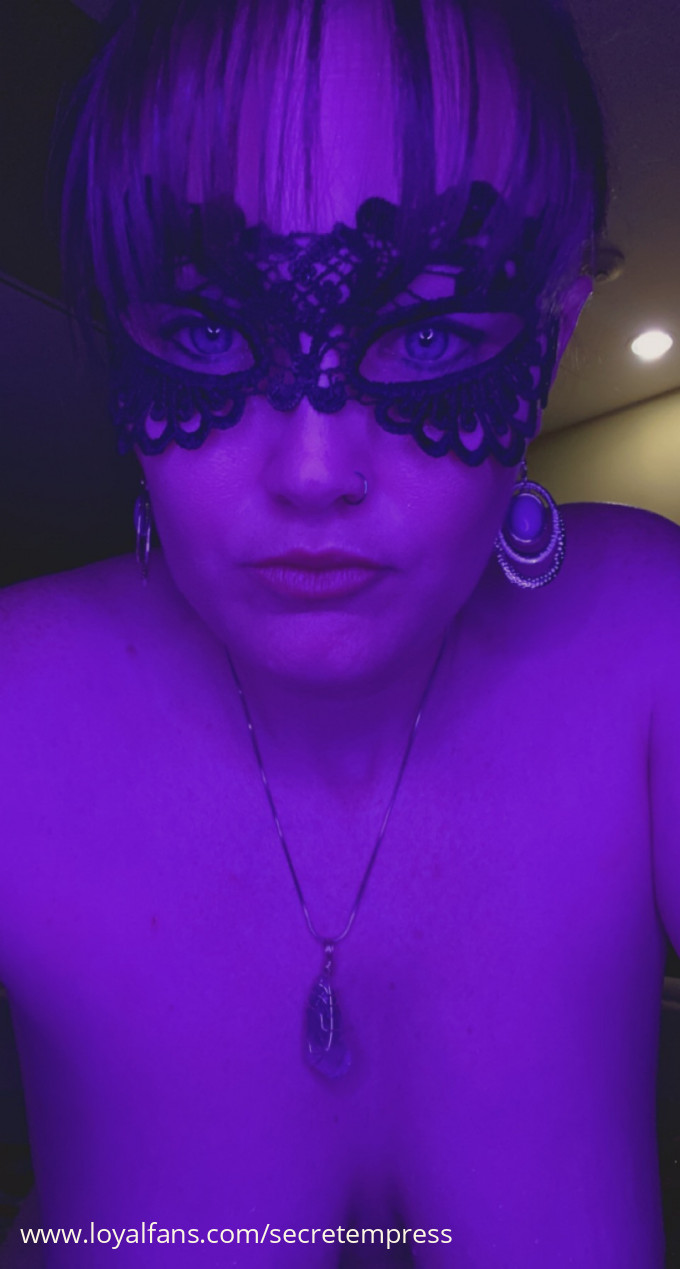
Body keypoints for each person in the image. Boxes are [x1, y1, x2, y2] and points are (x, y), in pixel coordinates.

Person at [2, 0, 679, 1263]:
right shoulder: (14, 711)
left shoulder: (648, 645)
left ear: (550, 337)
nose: (313, 470)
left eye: (424, 335)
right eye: (208, 332)